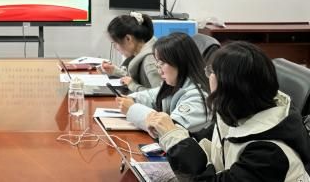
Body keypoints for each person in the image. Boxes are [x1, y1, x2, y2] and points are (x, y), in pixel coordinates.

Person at [149, 41, 310, 181]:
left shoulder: (268, 153)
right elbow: (204, 141)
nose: (208, 76)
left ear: (229, 86)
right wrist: (170, 132)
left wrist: (174, 138)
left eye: (211, 71)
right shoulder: (237, 111)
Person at [117, 32, 210, 135]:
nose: (159, 71)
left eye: (162, 63)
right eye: (158, 63)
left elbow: (168, 131)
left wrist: (132, 109)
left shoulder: (199, 98)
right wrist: (132, 99)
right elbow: (151, 96)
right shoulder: (176, 85)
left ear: (181, 62)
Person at [101, 12, 162, 92]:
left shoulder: (150, 61)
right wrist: (115, 71)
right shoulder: (145, 52)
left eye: (115, 43)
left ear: (128, 39)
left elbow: (160, 96)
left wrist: (132, 85)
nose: (115, 48)